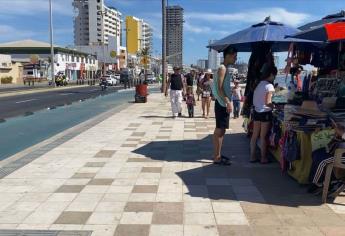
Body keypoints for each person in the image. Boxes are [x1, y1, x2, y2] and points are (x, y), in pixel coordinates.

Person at [212, 46, 238, 165]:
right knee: (220, 130)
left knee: (221, 130)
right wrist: (227, 101)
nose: (236, 59)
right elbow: (220, 87)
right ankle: (217, 157)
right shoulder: (222, 68)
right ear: (227, 55)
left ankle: (218, 155)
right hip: (222, 103)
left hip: (222, 102)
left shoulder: (225, 68)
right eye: (234, 56)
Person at [250, 65, 277, 164]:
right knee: (263, 136)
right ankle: (263, 158)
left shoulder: (258, 84)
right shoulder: (269, 86)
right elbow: (267, 102)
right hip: (265, 113)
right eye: (274, 75)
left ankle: (252, 157)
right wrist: (275, 106)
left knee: (254, 135)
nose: (274, 77)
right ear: (270, 74)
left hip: (256, 112)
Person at [308, 123, 345, 195]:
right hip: (339, 149)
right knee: (317, 153)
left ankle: (316, 183)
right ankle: (326, 181)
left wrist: (341, 133)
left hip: (341, 153)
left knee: (322, 160)